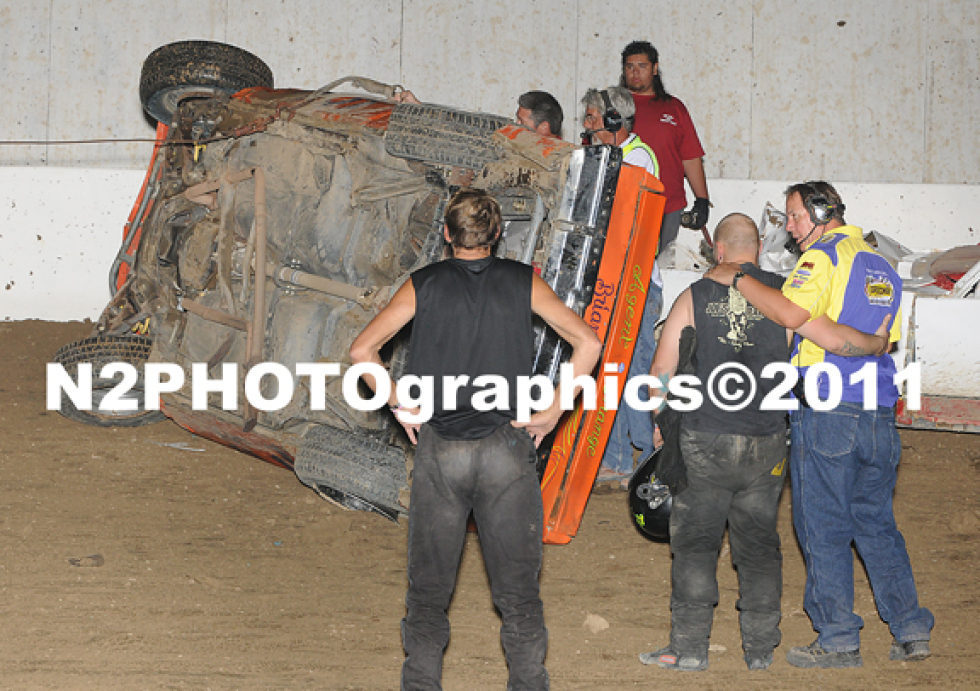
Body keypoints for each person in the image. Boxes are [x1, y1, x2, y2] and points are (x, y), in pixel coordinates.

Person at [350, 188, 602, 690]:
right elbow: (588, 342)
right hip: (505, 447)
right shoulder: (523, 281)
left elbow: (362, 351)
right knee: (519, 594)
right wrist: (554, 409)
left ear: (447, 234)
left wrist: (400, 404)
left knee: (428, 594)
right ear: (498, 233)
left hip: (441, 449)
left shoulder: (423, 283)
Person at [640, 213, 892, 672]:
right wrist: (876, 344)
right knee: (757, 545)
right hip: (767, 439)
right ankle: (759, 650)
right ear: (758, 250)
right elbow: (835, 340)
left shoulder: (694, 295)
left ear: (718, 251)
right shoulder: (785, 296)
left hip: (704, 435)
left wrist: (659, 421)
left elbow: (662, 368)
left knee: (696, 544)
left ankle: (689, 648)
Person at [705, 181, 934, 669]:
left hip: (828, 408)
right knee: (876, 522)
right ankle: (911, 627)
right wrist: (845, 339)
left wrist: (738, 277)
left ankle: (837, 637)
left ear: (821, 212)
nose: (789, 227)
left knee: (822, 524)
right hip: (877, 408)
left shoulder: (820, 259)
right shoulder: (881, 265)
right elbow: (879, 340)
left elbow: (790, 314)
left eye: (795, 216)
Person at [580, 87, 662, 489]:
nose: (586, 125)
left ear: (615, 120)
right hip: (614, 281)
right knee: (611, 369)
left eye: (592, 117)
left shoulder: (637, 157)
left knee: (635, 369)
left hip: (636, 285)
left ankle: (646, 458)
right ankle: (616, 458)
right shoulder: (606, 156)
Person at [621, 40, 709, 263]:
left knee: (659, 268)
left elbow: (690, 157)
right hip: (624, 205)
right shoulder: (614, 109)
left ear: (655, 68)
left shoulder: (674, 108)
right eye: (630, 67)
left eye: (642, 66)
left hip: (668, 205)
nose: (635, 73)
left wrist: (702, 200)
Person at [394, 89, 564, 138]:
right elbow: (468, 128)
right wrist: (419, 108)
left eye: (522, 121)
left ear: (544, 127)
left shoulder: (562, 161)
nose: (516, 125)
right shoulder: (515, 139)